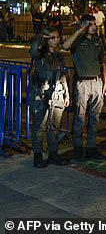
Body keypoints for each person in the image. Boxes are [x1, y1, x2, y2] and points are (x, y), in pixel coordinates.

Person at [62, 15, 106, 162]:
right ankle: (77, 149)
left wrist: (105, 82)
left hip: (97, 82)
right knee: (79, 118)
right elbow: (64, 46)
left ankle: (91, 148)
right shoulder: (77, 40)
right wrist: (81, 29)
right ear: (83, 25)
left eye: (95, 24)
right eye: (90, 24)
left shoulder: (97, 41)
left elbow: (102, 63)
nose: (94, 26)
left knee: (94, 118)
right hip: (82, 83)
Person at [29, 26, 71, 168]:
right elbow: (33, 50)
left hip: (57, 94)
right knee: (39, 126)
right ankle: (38, 156)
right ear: (46, 39)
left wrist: (67, 93)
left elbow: (62, 74)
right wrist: (40, 36)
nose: (56, 39)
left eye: (57, 37)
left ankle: (53, 155)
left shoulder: (58, 55)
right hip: (41, 94)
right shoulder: (39, 53)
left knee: (54, 127)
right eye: (52, 37)